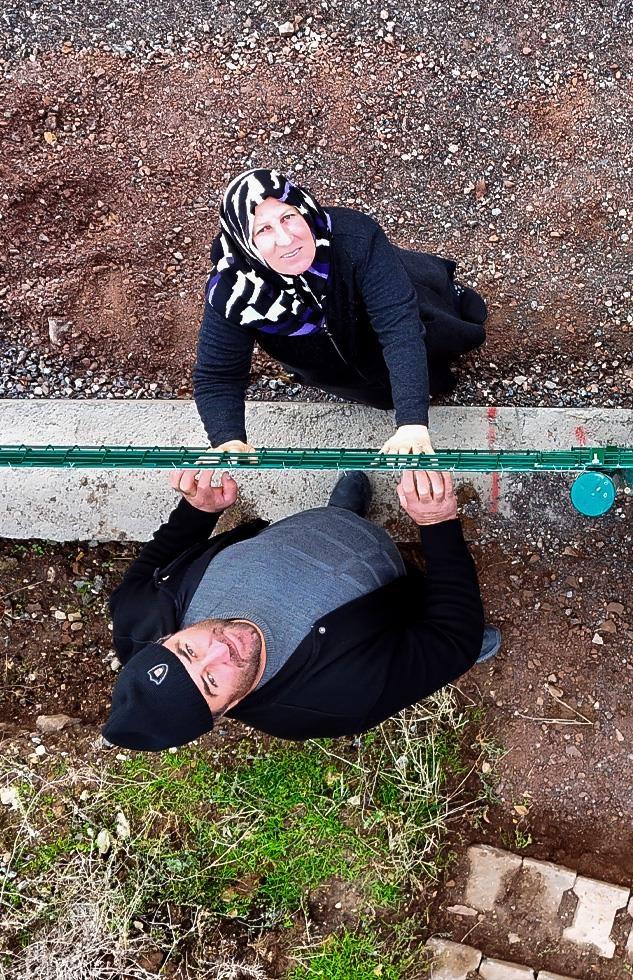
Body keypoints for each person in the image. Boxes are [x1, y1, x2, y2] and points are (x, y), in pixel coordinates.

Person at [102, 468, 500, 750]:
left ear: (167, 638)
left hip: (307, 531)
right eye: (211, 683)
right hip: (397, 591)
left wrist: (198, 511)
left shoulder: (138, 618)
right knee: (452, 642)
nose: (221, 649)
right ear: (227, 710)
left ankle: (341, 515)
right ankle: (463, 646)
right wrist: (437, 523)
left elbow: (156, 559)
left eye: (188, 651)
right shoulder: (334, 702)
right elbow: (450, 635)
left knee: (335, 520)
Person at [193, 168, 488, 457]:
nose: (286, 239)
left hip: (383, 314)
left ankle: (451, 294)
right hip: (330, 365)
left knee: (439, 324)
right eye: (264, 229)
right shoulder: (233, 293)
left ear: (303, 209)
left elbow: (399, 328)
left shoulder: (355, 238)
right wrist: (227, 437)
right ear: (245, 242)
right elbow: (218, 375)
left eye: (288, 217)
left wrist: (411, 421)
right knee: (380, 390)